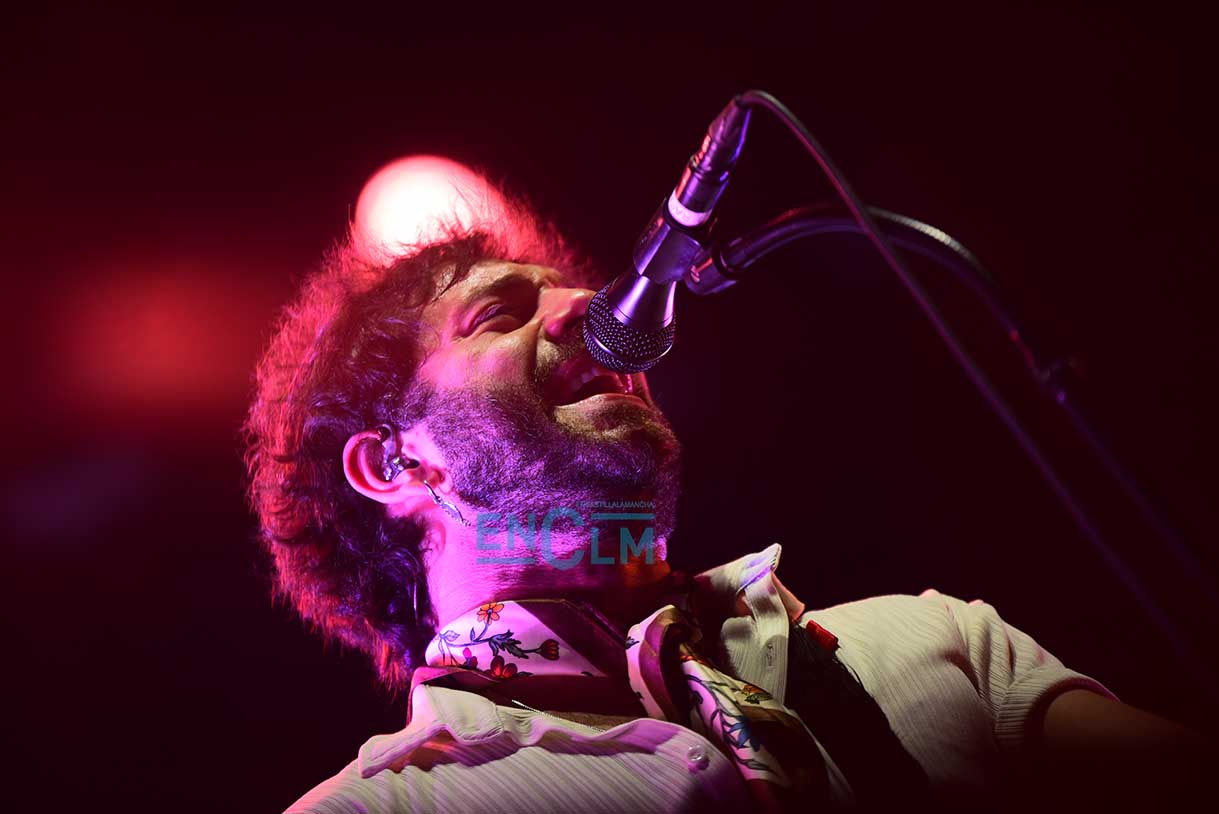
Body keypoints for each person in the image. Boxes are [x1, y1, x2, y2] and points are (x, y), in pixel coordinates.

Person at [244, 184, 1210, 813]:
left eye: (568, 290)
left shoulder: (933, 644)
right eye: (500, 314)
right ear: (392, 466)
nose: (588, 308)